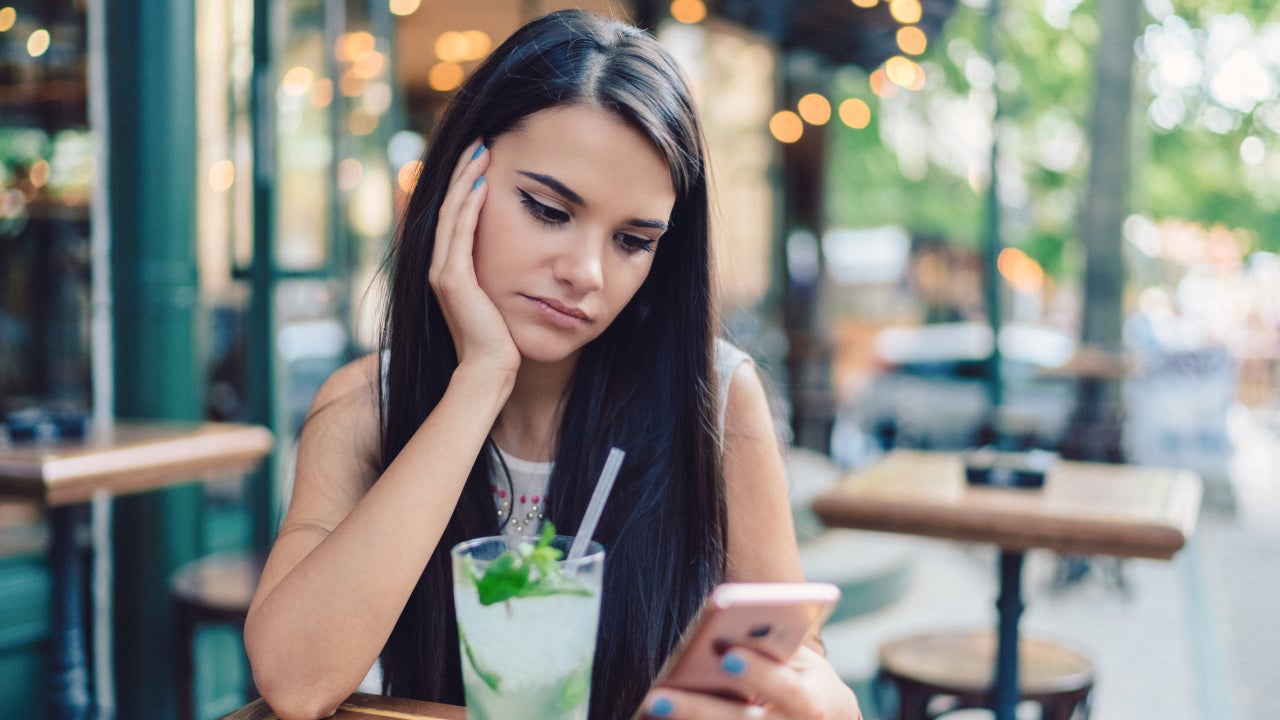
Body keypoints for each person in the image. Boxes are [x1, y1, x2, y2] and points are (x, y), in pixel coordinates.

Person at [244, 9, 862, 720]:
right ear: (457, 182)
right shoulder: (364, 408)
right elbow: (294, 682)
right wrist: (479, 380)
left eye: (632, 240)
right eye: (547, 209)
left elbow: (794, 659)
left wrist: (816, 701)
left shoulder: (714, 400)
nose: (587, 273)